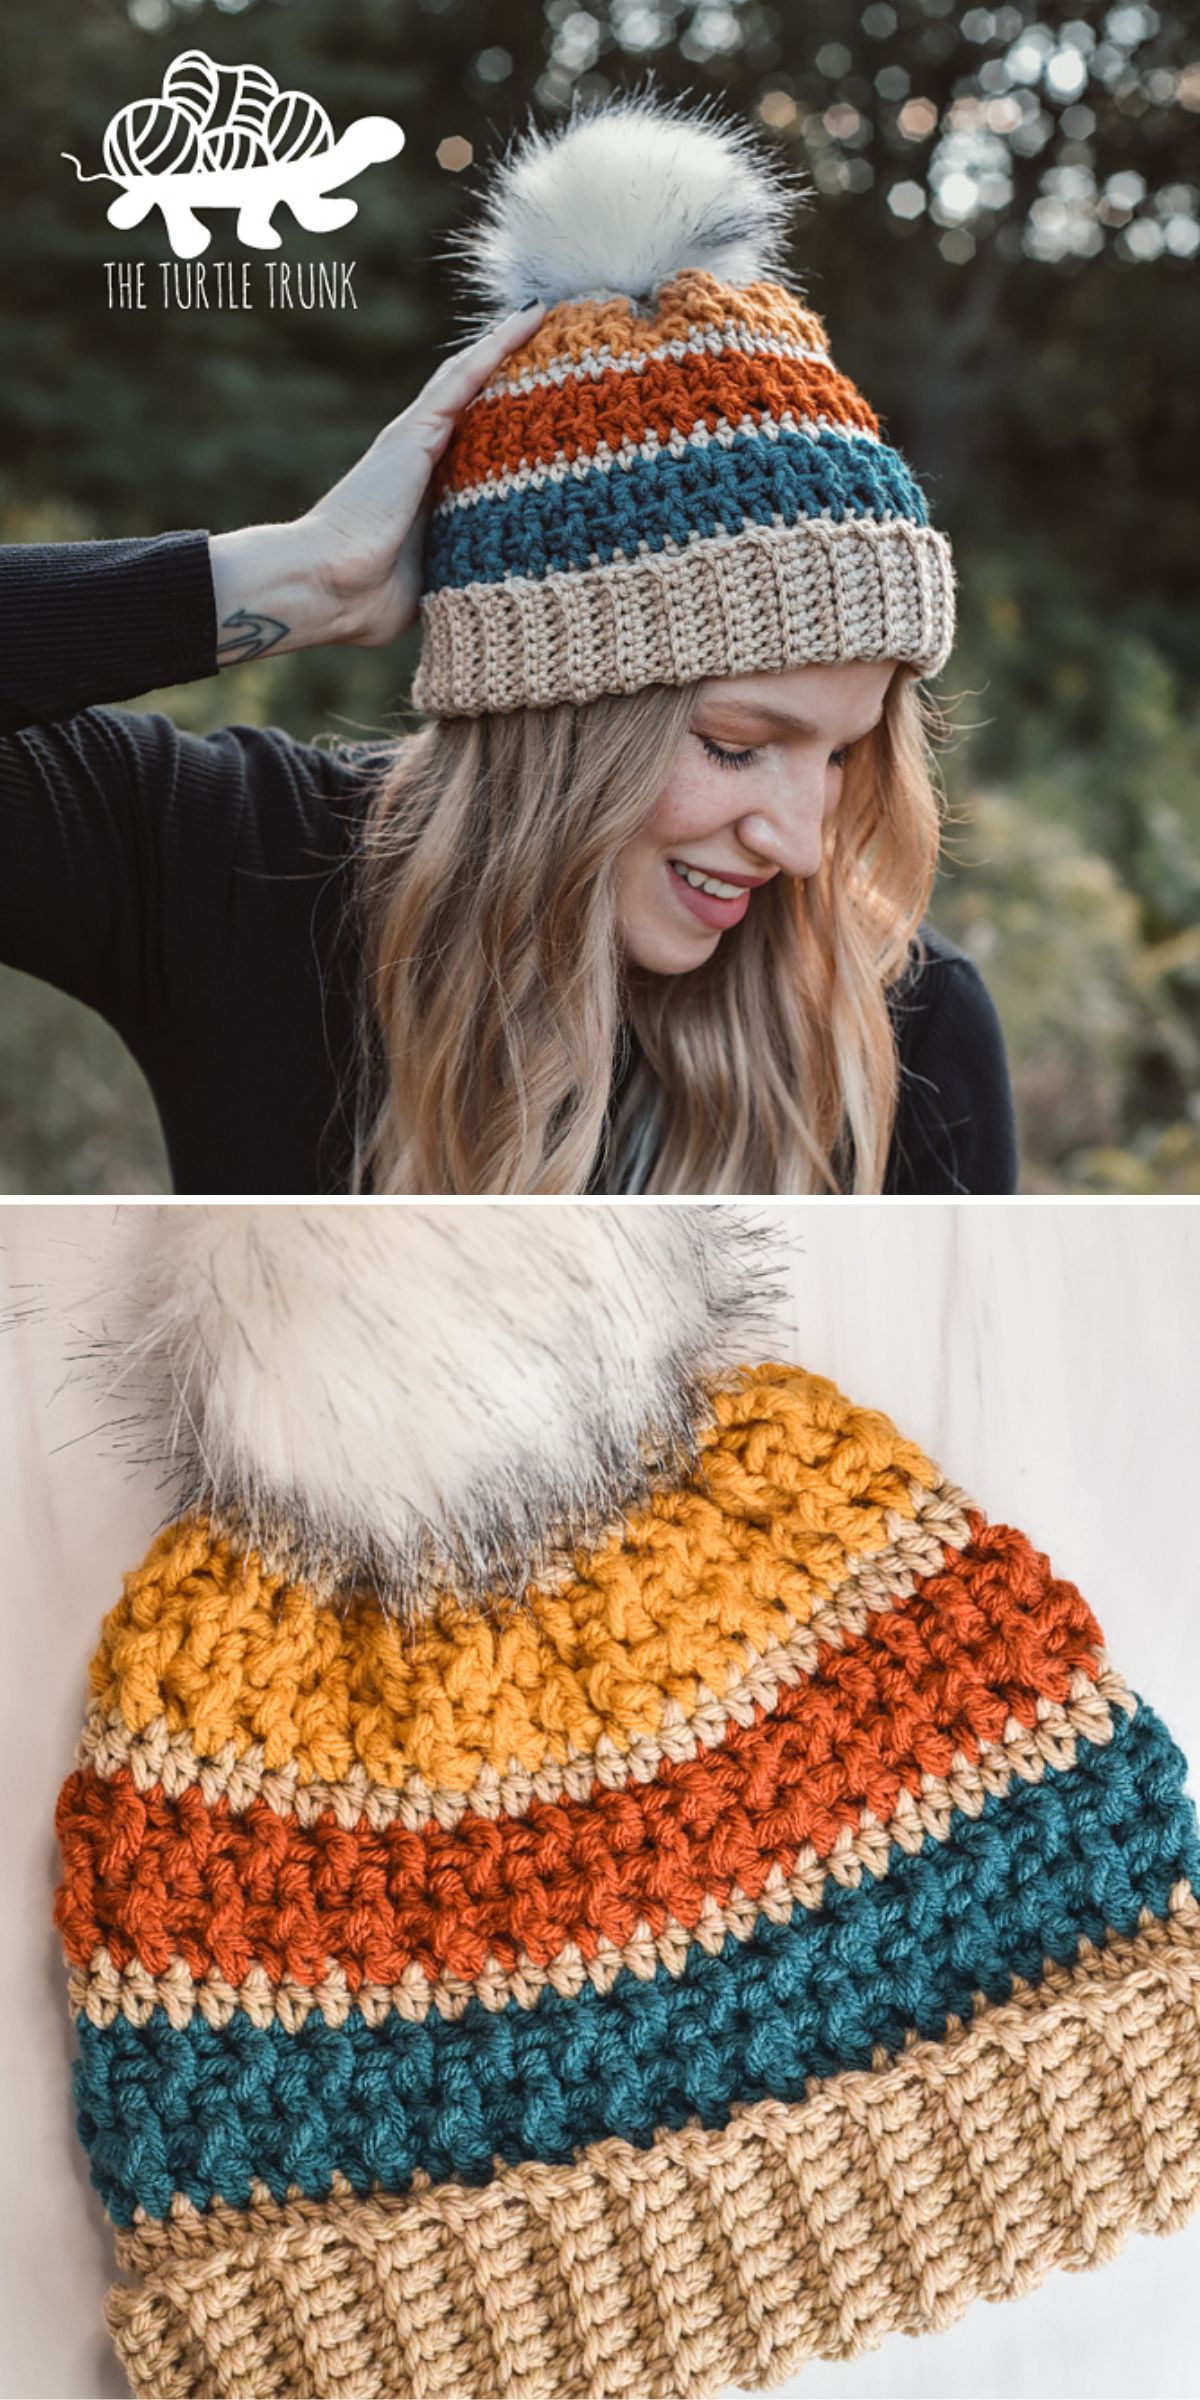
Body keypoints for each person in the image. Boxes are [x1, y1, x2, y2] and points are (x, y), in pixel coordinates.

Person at [0, 91, 1018, 1196]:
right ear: (554, 712)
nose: (804, 845)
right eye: (735, 743)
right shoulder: (238, 867)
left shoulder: (897, 1021)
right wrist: (294, 580)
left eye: (839, 756)